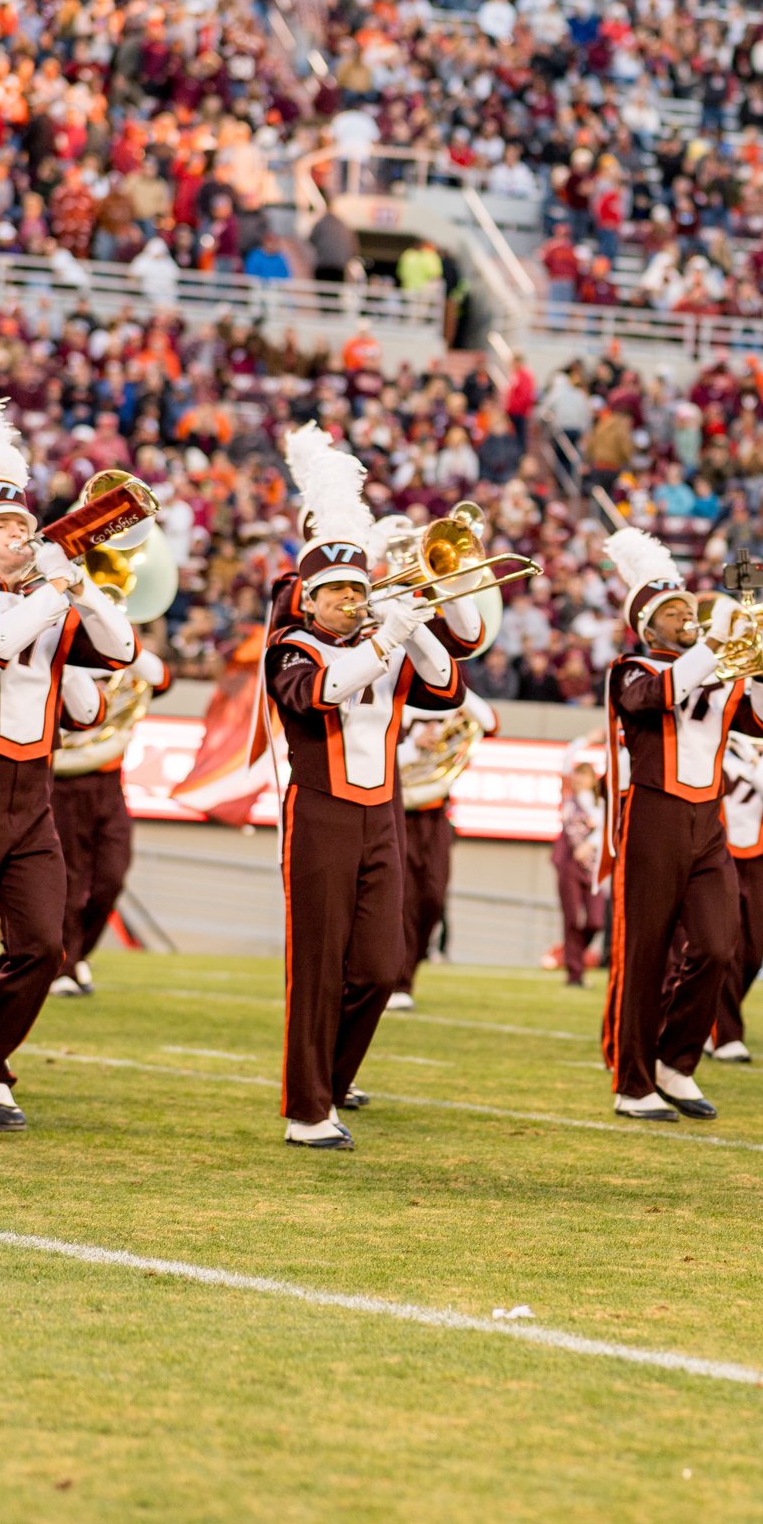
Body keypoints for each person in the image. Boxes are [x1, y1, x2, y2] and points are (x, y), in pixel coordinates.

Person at [0, 393, 141, 1142]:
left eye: (24, 522)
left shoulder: (46, 596)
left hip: (33, 794)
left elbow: (122, 651)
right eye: (9, 526)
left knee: (44, 942)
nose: (24, 533)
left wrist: (82, 586)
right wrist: (52, 588)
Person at [263, 425, 466, 1149]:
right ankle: (305, 1108)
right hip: (319, 811)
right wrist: (386, 638)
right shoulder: (293, 646)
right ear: (311, 599)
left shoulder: (384, 637)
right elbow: (322, 693)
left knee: (380, 966)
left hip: (383, 814)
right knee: (318, 965)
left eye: (358, 588)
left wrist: (412, 628)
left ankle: (333, 1082)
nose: (350, 600)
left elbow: (448, 686)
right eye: (337, 592)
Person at [598, 528, 763, 1121]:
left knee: (717, 945)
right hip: (653, 815)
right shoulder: (631, 669)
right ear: (648, 627)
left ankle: (675, 1063)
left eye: (689, 608)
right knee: (645, 955)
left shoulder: (715, 667)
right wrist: (727, 633)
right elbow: (669, 689)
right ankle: (633, 1083)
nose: (687, 617)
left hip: (708, 822)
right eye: (674, 612)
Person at [47, 648, 173, 997]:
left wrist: (121, 638)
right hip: (63, 785)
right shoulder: (59, 662)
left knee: (111, 878)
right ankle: (64, 965)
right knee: (69, 880)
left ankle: (75, 955)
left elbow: (162, 678)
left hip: (109, 784)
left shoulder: (122, 671)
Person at [693, 729, 763, 1063]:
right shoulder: (713, 760)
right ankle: (725, 1034)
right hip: (719, 859)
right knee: (726, 949)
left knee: (753, 952)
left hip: (755, 864)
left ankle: (712, 1023)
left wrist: (753, 761)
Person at [391, 691, 499, 1011]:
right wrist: (414, 745)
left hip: (436, 816)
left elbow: (490, 723)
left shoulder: (447, 700)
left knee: (433, 898)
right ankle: (399, 981)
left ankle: (408, 972)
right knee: (405, 900)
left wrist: (455, 685)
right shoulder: (397, 699)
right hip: (400, 813)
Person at [553, 756, 606, 986]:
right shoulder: (568, 800)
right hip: (570, 865)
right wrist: (586, 740)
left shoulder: (600, 805)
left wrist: (591, 844)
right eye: (577, 775)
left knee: (596, 921)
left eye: (584, 775)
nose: (579, 779)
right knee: (573, 919)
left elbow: (606, 830)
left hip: (594, 868)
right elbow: (565, 761)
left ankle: (573, 956)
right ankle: (575, 973)